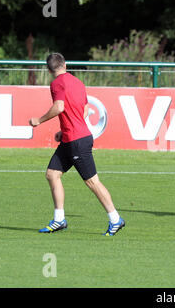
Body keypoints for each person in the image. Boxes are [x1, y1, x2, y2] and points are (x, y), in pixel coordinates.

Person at [29, 53, 125, 236]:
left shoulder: (56, 84)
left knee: (92, 181)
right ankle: (59, 220)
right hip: (70, 138)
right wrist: (65, 130)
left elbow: (59, 107)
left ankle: (115, 219)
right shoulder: (77, 82)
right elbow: (85, 110)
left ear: (49, 70)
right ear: (65, 64)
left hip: (77, 141)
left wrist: (39, 121)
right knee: (52, 174)